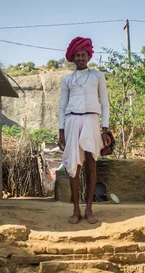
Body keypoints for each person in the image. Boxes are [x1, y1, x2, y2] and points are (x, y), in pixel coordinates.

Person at [58, 37, 112, 224]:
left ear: (88, 56)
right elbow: (62, 106)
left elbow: (104, 103)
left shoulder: (97, 76)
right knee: (74, 166)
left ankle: (89, 209)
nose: (80, 58)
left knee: (91, 164)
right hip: (72, 120)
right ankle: (76, 210)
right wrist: (61, 131)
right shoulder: (67, 80)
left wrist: (104, 128)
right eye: (77, 55)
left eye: (83, 54)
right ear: (72, 58)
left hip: (91, 120)